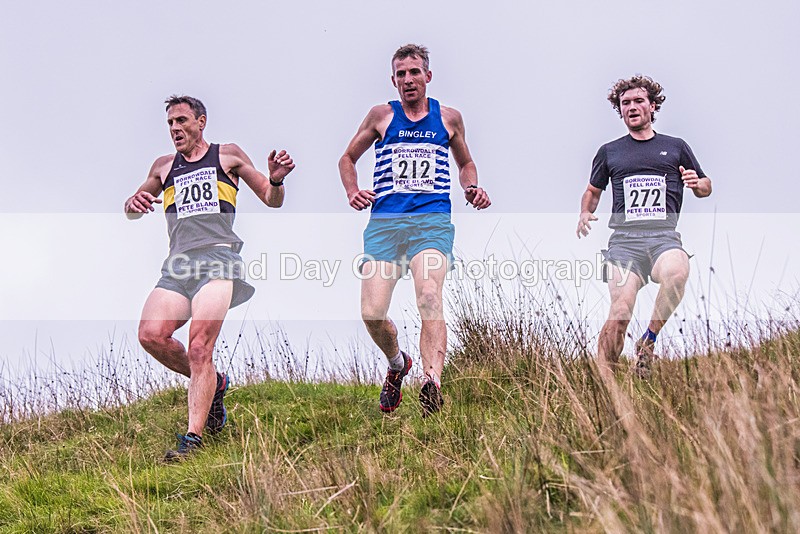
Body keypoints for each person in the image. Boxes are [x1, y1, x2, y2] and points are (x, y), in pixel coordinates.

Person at [125, 95, 294, 460]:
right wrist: (132, 204)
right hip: (178, 266)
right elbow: (135, 205)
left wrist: (277, 181)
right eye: (170, 123)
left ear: (201, 122)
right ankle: (213, 383)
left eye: (182, 121)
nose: (175, 129)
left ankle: (192, 439)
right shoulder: (163, 166)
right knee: (150, 335)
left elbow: (270, 197)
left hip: (219, 259)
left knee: (201, 347)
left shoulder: (227, 155)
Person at [339, 44, 491, 416]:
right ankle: (397, 364)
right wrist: (353, 190)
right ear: (393, 80)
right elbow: (346, 158)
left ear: (428, 76)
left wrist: (471, 186)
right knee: (372, 313)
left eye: (414, 72)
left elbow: (466, 162)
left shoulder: (449, 118)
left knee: (429, 295)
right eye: (401, 74)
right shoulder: (381, 116)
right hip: (385, 226)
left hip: (431, 222)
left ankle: (431, 383)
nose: (408, 80)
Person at [577, 75, 712, 377]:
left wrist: (696, 183)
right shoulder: (609, 151)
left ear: (652, 106)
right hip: (624, 243)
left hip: (663, 237)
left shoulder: (675, 147)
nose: (632, 107)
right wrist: (585, 213)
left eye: (639, 101)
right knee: (621, 312)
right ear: (620, 110)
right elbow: (592, 191)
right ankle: (606, 379)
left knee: (678, 272)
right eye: (626, 103)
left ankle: (648, 341)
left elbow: (705, 185)